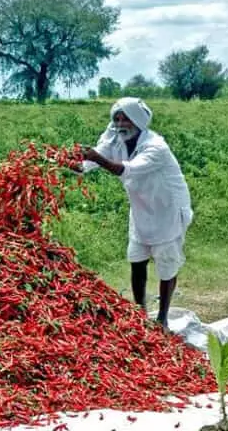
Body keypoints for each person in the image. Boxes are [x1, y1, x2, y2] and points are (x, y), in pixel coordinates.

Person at [77, 97, 193, 331]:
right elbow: (88, 164)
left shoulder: (156, 146)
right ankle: (139, 312)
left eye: (126, 119)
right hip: (141, 207)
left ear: (138, 121)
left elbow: (125, 169)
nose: (121, 124)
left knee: (166, 263)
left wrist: (95, 157)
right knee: (137, 259)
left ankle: (162, 317)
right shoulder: (115, 137)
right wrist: (62, 161)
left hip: (167, 207)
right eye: (117, 119)